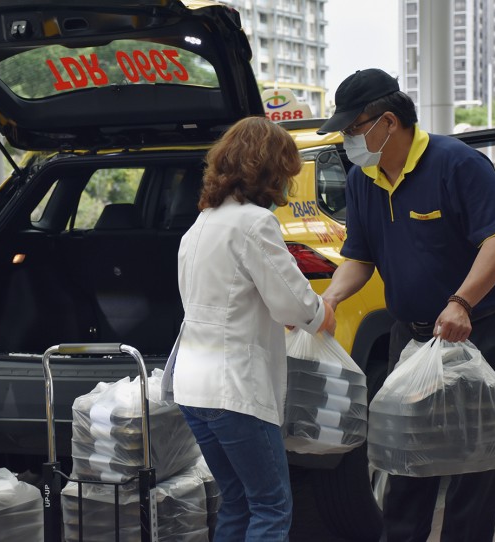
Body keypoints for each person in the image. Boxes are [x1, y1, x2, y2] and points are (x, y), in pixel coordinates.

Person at [318, 69, 495, 542]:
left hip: (476, 331)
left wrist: (461, 302)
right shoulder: (363, 179)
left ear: (387, 122)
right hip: (409, 338)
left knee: (474, 458)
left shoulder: (458, 163)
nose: (348, 139)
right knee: (407, 453)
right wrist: (329, 298)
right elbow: (359, 258)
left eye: (352, 128)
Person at [161, 116, 336, 541]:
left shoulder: (200, 224)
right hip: (235, 388)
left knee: (238, 500)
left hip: (192, 385)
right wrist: (321, 312)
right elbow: (293, 304)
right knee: (271, 505)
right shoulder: (255, 223)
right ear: (270, 172)